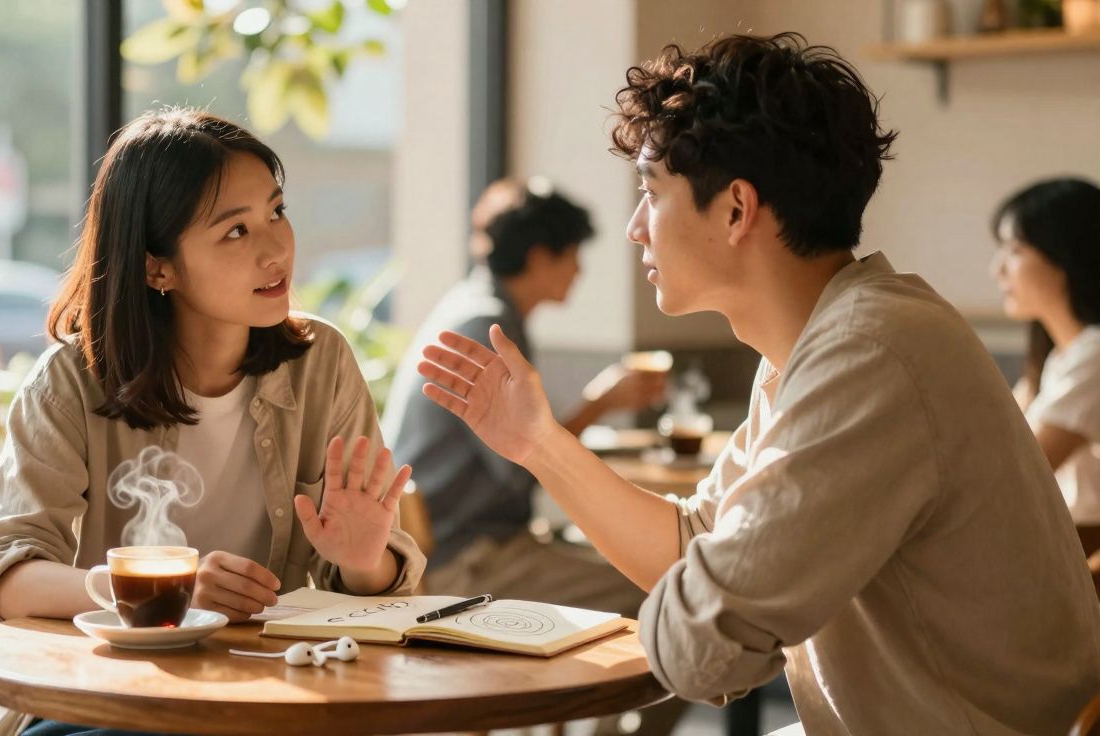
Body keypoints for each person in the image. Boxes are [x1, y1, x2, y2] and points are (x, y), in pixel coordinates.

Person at [417, 33, 1100, 733]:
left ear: (737, 209)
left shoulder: (869, 352)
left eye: (651, 194)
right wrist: (539, 444)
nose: (633, 229)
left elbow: (705, 646)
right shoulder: (816, 344)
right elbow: (699, 547)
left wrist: (703, 596)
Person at [0, 109, 424, 736]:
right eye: (235, 231)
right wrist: (155, 592)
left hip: (272, 700)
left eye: (276, 212)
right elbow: (2, 575)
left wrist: (365, 563)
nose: (275, 247)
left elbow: (368, 595)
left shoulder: (322, 363)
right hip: (105, 702)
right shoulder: (70, 382)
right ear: (158, 267)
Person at [383, 178, 665, 607]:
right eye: (573, 254)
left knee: (647, 573)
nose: (580, 270)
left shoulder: (473, 306)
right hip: (462, 562)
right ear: (539, 257)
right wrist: (601, 402)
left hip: (460, 547)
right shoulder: (488, 327)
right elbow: (526, 462)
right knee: (664, 589)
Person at [989, 178, 1100, 526]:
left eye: (1015, 250)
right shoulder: (1058, 358)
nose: (998, 269)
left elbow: (1016, 473)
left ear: (1066, 254)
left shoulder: (1093, 357)